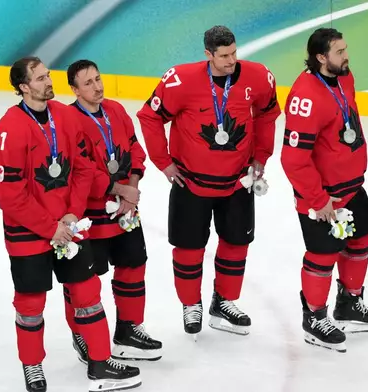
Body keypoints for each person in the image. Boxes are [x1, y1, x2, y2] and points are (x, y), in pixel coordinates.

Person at [0, 57, 140, 392]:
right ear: (24, 87)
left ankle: (99, 363)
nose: (48, 81)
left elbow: (84, 169)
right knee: (30, 305)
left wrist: (72, 214)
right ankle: (33, 367)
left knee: (87, 291)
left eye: (48, 75)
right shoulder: (9, 128)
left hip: (69, 226)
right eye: (41, 78)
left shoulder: (66, 116)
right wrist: (50, 227)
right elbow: (10, 196)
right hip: (28, 233)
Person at [136, 25, 281, 338]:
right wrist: (163, 162)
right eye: (224, 56)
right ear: (208, 54)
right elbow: (149, 117)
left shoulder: (258, 76)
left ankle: (224, 301)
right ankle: (191, 304)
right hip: (191, 183)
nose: (231, 61)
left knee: (236, 243)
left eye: (234, 53)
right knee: (189, 248)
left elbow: (268, 113)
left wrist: (261, 156)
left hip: (238, 181)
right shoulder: (180, 80)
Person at [280, 27, 368, 353]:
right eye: (339, 52)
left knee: (361, 236)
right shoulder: (304, 97)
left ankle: (350, 303)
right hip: (323, 197)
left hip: (352, 188)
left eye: (345, 49)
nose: (346, 55)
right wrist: (318, 199)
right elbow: (293, 159)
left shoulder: (344, 77)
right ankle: (314, 318)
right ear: (320, 57)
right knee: (323, 254)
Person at [66, 59, 162, 361]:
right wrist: (123, 191)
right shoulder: (69, 119)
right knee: (83, 279)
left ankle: (128, 330)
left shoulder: (116, 110)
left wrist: (130, 190)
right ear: (75, 90)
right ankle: (82, 335)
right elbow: (84, 171)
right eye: (88, 83)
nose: (97, 87)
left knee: (134, 264)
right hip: (89, 215)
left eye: (98, 79)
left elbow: (135, 150)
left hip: (124, 210)